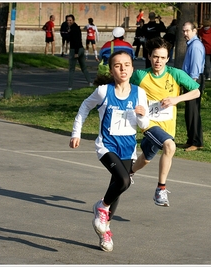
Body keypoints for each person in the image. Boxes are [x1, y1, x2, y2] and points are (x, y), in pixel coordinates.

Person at [70, 50, 150, 252]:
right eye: (117, 65)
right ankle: (101, 206)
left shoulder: (139, 92)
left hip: (128, 148)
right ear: (112, 70)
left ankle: (104, 230)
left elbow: (144, 124)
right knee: (124, 181)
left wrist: (141, 116)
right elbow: (84, 107)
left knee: (118, 188)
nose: (122, 68)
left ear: (132, 68)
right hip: (106, 146)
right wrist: (75, 133)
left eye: (126, 65)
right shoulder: (104, 91)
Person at [129, 37, 201, 207]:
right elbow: (125, 90)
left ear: (168, 58)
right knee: (170, 146)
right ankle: (160, 189)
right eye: (155, 57)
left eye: (162, 57)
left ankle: (129, 172)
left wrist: (176, 99)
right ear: (149, 56)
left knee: (146, 158)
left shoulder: (175, 74)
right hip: (148, 124)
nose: (158, 61)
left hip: (167, 126)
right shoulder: (140, 75)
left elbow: (196, 92)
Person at [181, 21, 205, 152]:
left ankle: (196, 141)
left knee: (193, 112)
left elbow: (195, 68)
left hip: (193, 81)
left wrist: (192, 85)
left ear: (194, 31)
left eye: (187, 31)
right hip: (190, 80)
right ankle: (191, 139)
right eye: (183, 31)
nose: (185, 33)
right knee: (190, 112)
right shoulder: (192, 44)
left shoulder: (195, 46)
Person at [66, 14, 93, 91]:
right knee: (83, 67)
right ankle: (90, 82)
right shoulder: (76, 28)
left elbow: (76, 41)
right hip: (81, 49)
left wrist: (76, 52)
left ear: (73, 20)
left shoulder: (73, 29)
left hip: (75, 49)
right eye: (67, 20)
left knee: (71, 69)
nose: (69, 22)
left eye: (70, 20)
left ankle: (70, 87)